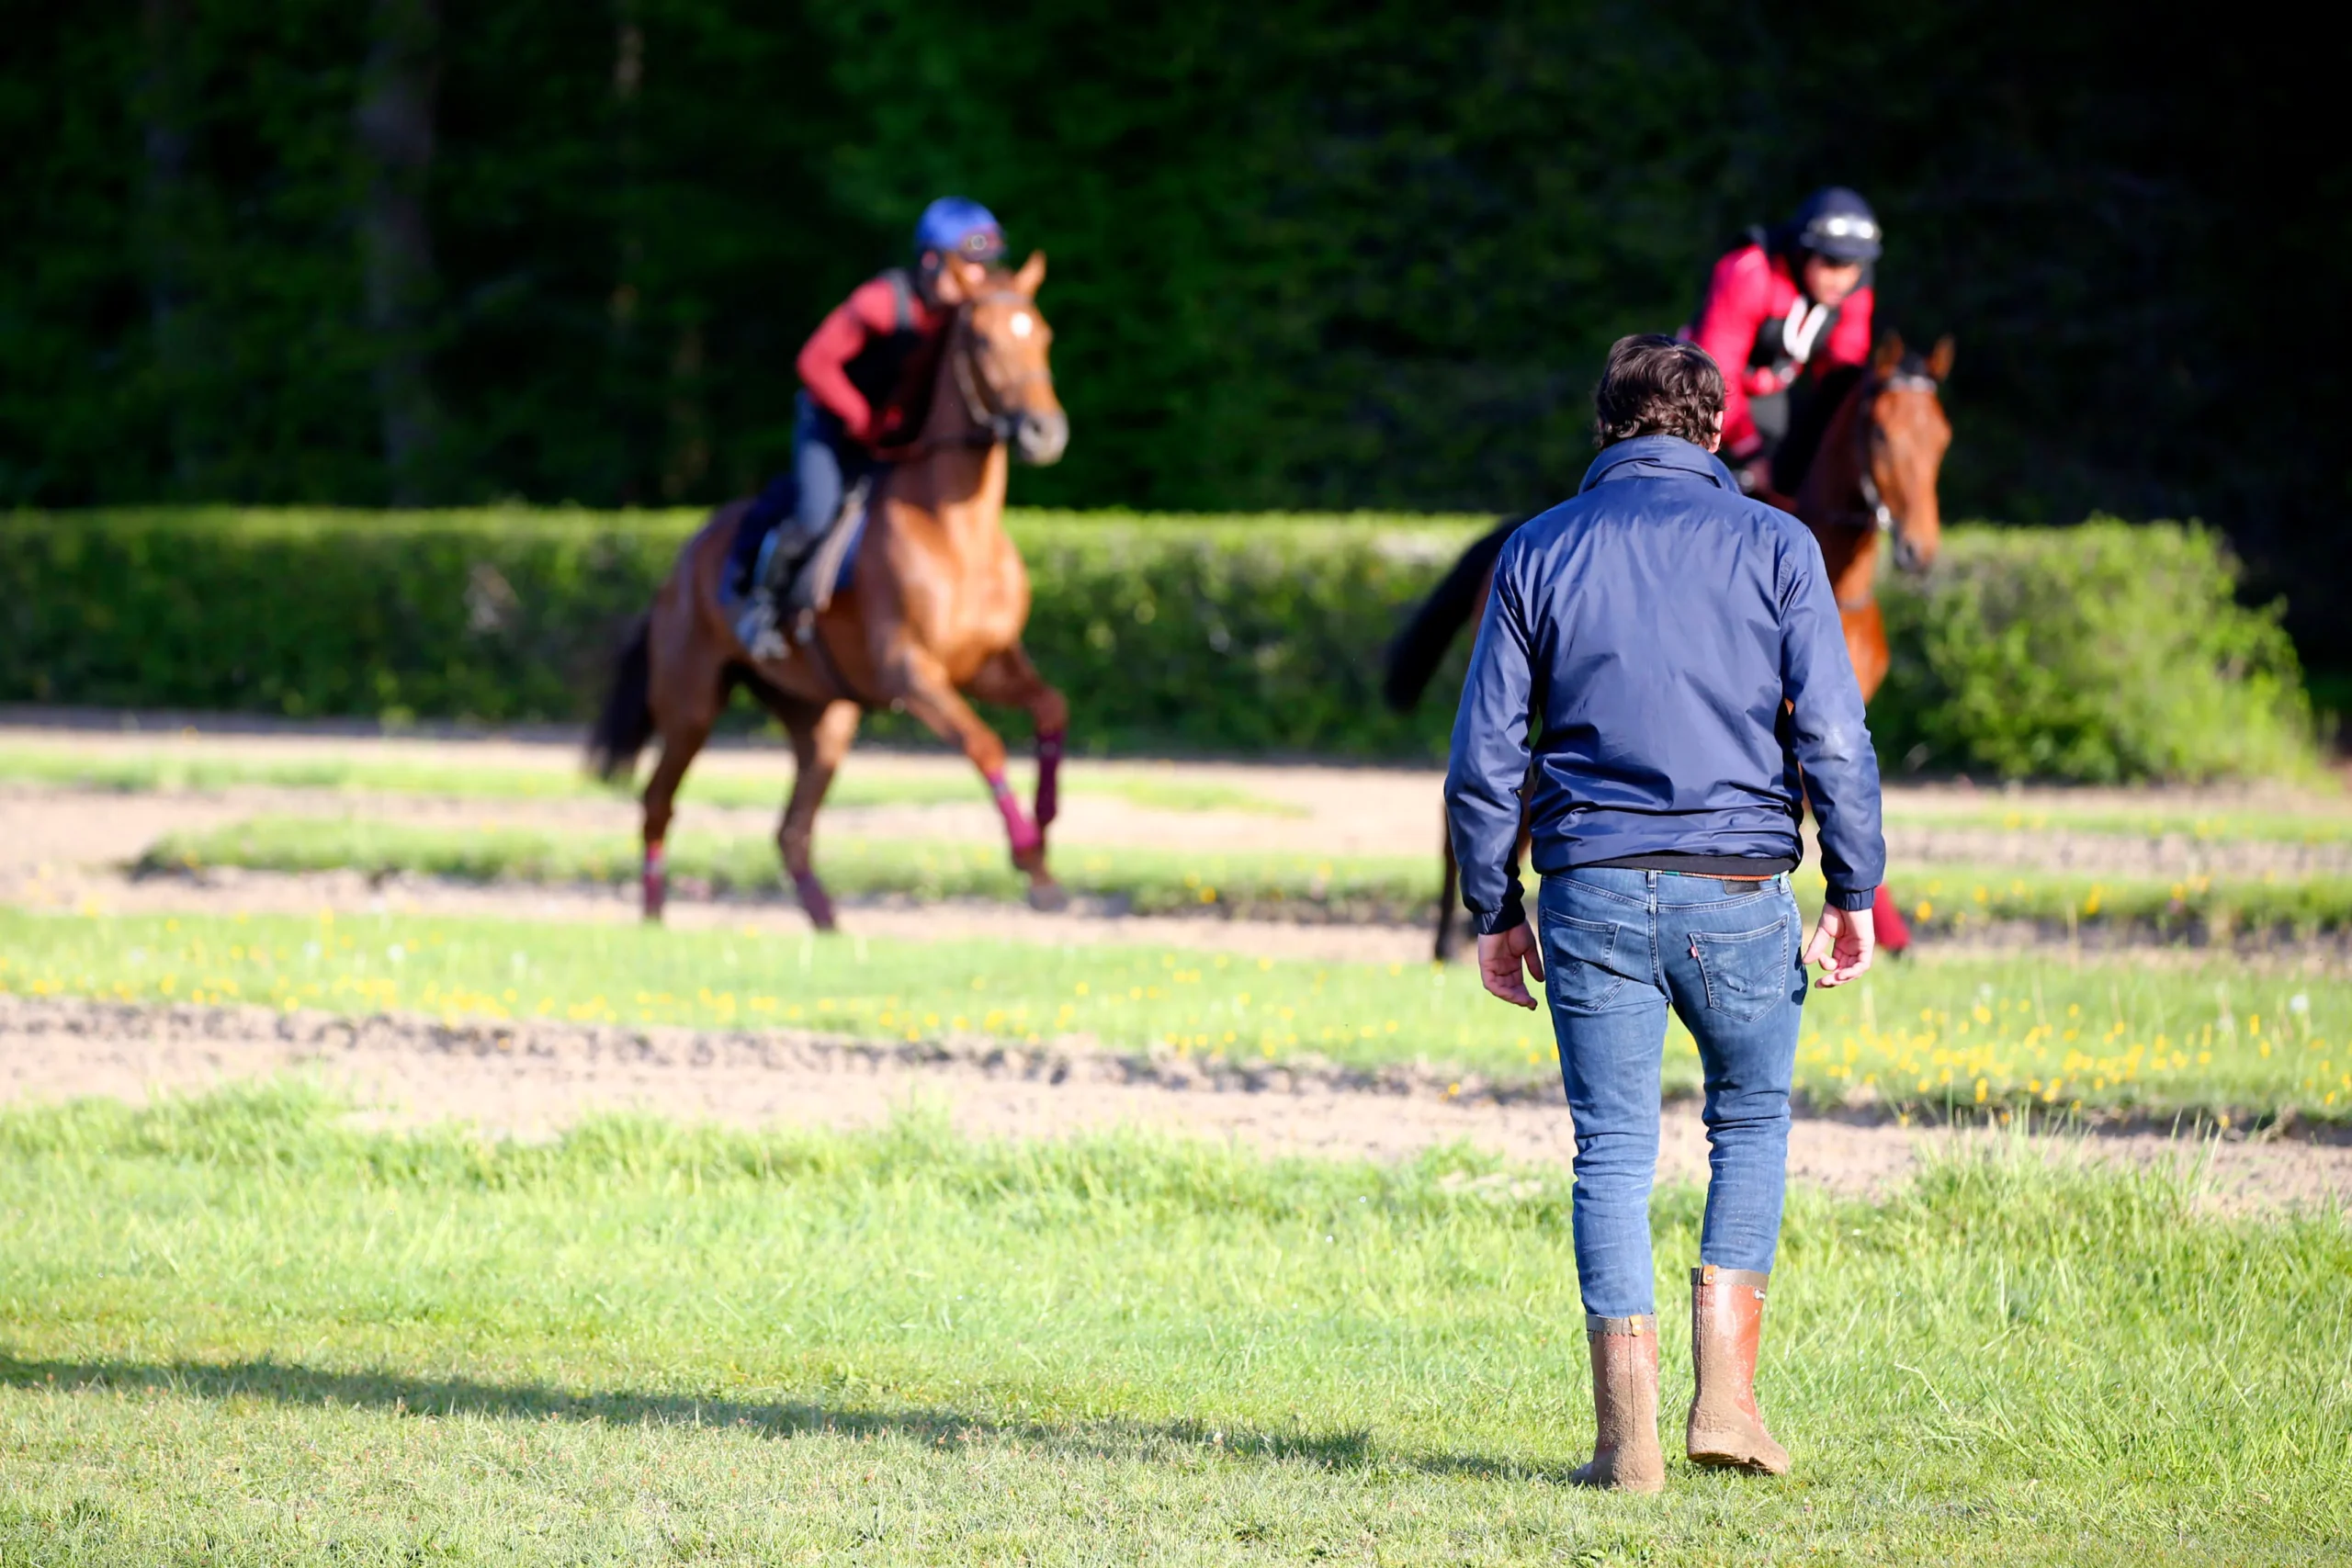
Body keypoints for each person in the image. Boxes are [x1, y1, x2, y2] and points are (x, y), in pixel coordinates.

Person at [1444, 333, 1884, 1493]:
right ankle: (1727, 1409)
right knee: (1747, 1126)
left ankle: (1624, 1443)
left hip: (1586, 887)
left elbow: (1484, 759)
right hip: (1740, 888)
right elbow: (1834, 736)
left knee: (1610, 1152)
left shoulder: (1538, 548)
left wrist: (1493, 905)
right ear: (1712, 431)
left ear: (1607, 426)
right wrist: (1851, 889)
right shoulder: (1779, 545)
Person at [732, 197, 1008, 656]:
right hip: (833, 427)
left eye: (986, 265)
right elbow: (814, 362)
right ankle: (760, 606)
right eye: (970, 265)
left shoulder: (961, 316)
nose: (980, 276)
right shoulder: (880, 302)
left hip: (890, 438)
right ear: (931, 261)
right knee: (816, 512)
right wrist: (862, 419)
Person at [1686, 186, 1881, 500]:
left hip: (1768, 391)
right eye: (1831, 262)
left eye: (1852, 265)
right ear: (1803, 252)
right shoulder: (1750, 272)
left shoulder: (1855, 285)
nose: (1841, 279)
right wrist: (1751, 454)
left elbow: (1841, 372)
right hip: (1699, 392)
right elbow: (1717, 373)